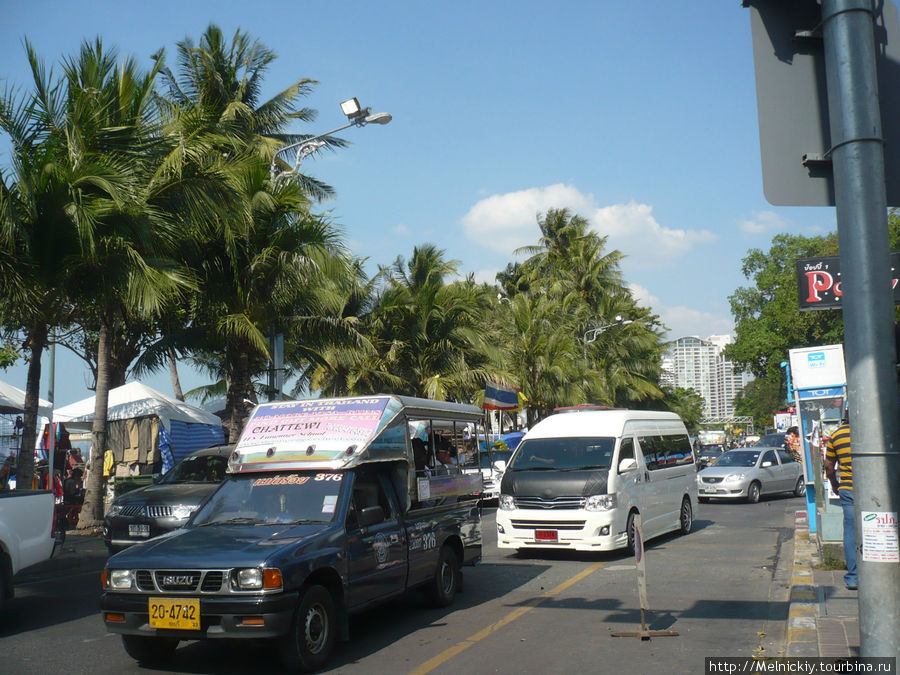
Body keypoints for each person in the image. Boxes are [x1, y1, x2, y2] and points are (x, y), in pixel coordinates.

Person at [824, 416, 856, 590]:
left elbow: (829, 465)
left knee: (851, 531)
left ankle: (854, 578)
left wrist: (835, 484)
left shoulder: (837, 435)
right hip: (877, 490)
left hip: (848, 489)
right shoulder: (879, 429)